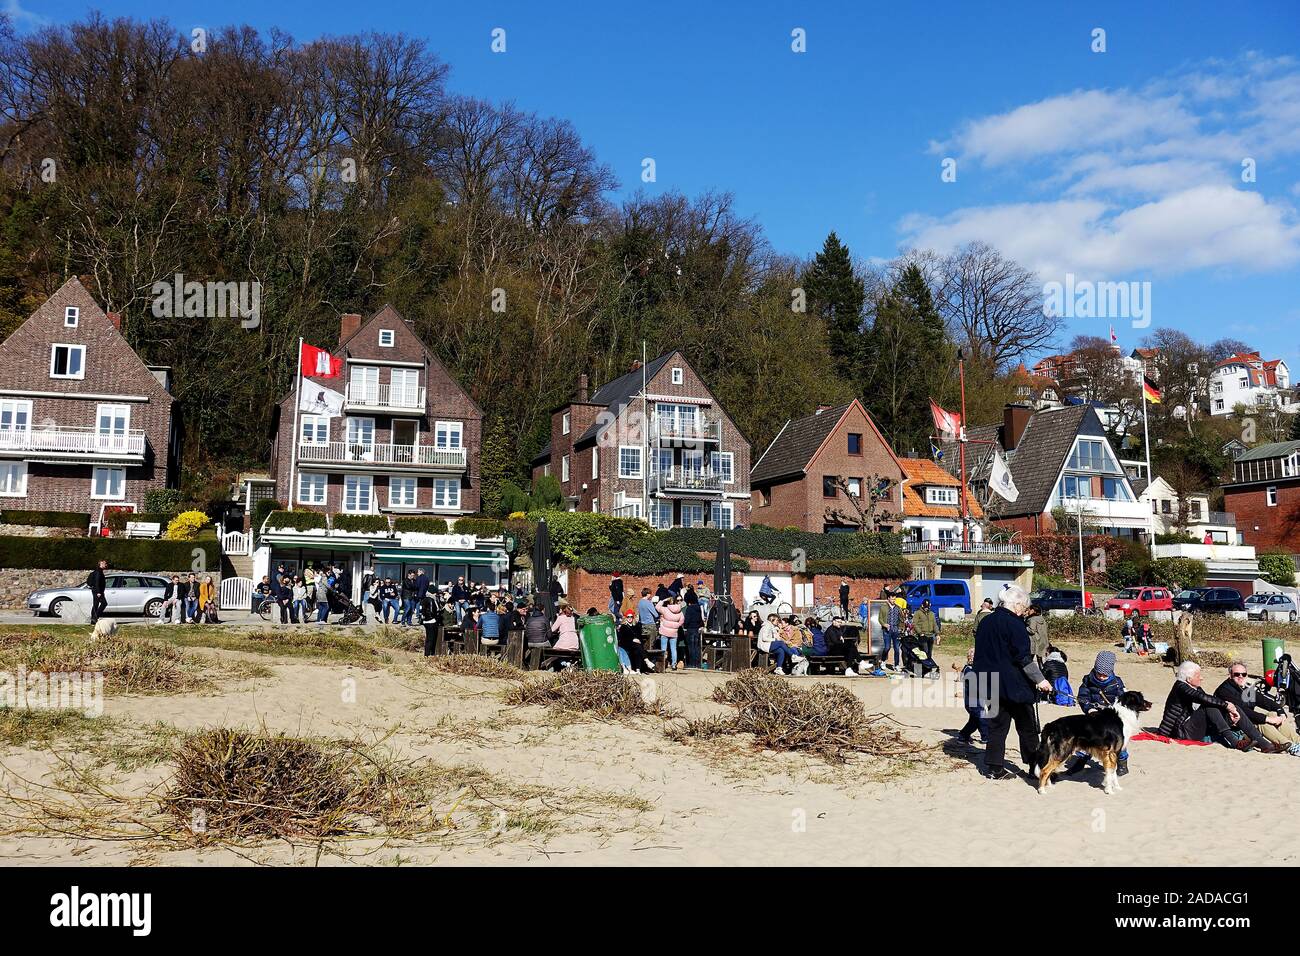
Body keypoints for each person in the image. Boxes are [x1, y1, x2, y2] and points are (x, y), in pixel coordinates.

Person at [972, 584, 1052, 780]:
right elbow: (1023, 658)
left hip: (988, 682)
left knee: (996, 726)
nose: (1024, 611)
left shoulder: (986, 621)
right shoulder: (1015, 625)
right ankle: (1035, 766)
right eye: (1023, 607)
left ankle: (994, 768)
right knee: (1028, 727)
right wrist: (1041, 680)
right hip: (1013, 685)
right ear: (1016, 604)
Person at [1060, 651, 1133, 776]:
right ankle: (1080, 761)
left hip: (1112, 720)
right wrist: (1089, 709)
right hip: (1094, 718)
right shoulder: (1088, 681)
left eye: (1105, 675)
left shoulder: (1117, 683)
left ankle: (1122, 763)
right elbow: (1083, 697)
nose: (1101, 677)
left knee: (1119, 744)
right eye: (1099, 674)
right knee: (1086, 740)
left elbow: (1123, 699)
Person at [1157, 661, 1247, 748]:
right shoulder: (1181, 687)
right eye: (1198, 676)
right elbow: (1202, 698)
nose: (1201, 678)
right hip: (1180, 732)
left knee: (1228, 708)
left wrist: (1229, 714)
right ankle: (1235, 742)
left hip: (1190, 728)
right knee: (1208, 705)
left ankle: (1256, 741)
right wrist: (1226, 705)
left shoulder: (1194, 687)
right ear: (1189, 679)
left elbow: (1210, 701)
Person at [1214, 661, 1298, 754]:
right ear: (1230, 675)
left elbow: (1266, 701)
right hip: (1237, 731)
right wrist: (1268, 719)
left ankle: (1298, 741)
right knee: (1262, 722)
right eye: (1237, 674)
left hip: (1249, 727)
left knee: (1273, 714)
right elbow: (1244, 711)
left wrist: (1281, 712)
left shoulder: (1245, 689)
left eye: (1244, 674)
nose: (1241, 676)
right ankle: (1290, 746)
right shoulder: (1224, 691)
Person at [956, 649, 986, 744]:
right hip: (972, 702)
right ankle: (986, 736)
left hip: (976, 701)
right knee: (982, 717)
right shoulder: (968, 670)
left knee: (974, 721)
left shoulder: (976, 669)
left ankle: (963, 735)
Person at [618, 609, 655, 673]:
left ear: (633, 617)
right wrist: (633, 639)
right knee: (638, 646)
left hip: (635, 645)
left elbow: (639, 637)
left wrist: (637, 640)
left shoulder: (636, 626)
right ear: (626, 618)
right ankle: (647, 661)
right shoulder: (623, 627)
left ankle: (638, 670)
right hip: (626, 644)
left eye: (631, 617)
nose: (629, 618)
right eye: (628, 617)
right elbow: (623, 639)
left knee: (638, 648)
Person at [658, 596, 684, 671]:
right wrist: (676, 625)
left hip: (664, 631)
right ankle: (674, 664)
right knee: (673, 649)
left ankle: (663, 664)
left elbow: (657, 607)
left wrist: (663, 600)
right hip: (674, 632)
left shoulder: (665, 609)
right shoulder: (680, 611)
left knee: (663, 648)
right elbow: (682, 621)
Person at [682, 587, 704, 668]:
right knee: (696, 647)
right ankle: (697, 663)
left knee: (690, 647)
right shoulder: (698, 607)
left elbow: (687, 620)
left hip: (690, 629)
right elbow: (700, 619)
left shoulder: (689, 608)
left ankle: (691, 663)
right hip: (696, 629)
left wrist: (685, 626)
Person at [86, 560, 108, 625]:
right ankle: (95, 617)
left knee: (95, 605)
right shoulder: (98, 572)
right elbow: (97, 582)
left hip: (97, 591)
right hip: (97, 591)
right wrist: (98, 592)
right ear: (100, 564)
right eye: (104, 564)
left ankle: (93, 620)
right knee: (104, 603)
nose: (106, 565)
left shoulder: (99, 571)